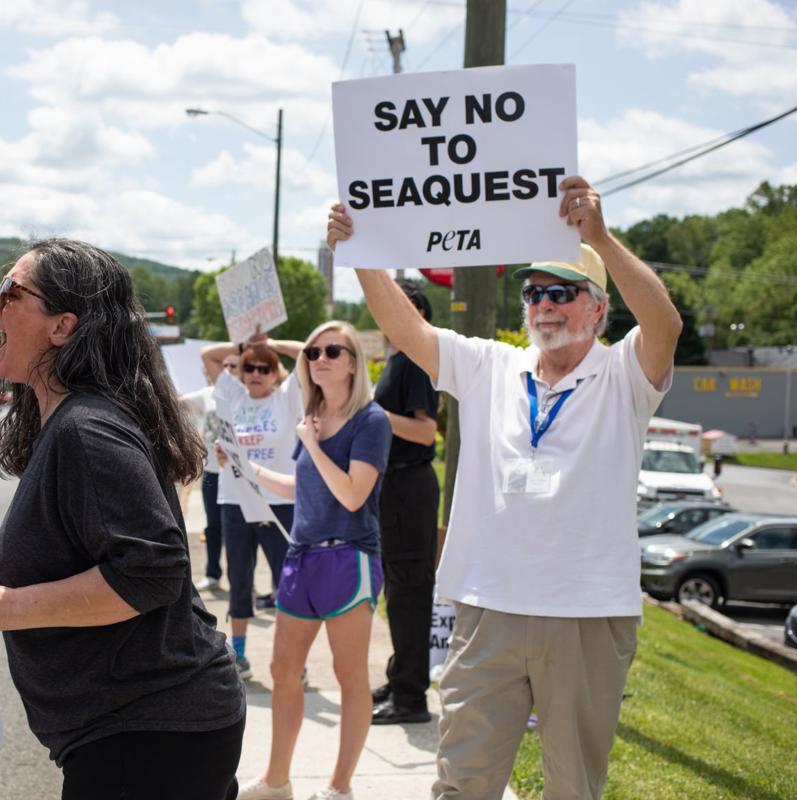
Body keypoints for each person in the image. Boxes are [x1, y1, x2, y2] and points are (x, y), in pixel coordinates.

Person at [328, 175, 682, 800]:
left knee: (573, 787)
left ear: (598, 307)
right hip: (487, 609)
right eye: (534, 292)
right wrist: (363, 256)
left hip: (587, 614)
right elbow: (408, 333)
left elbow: (666, 324)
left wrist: (598, 236)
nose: (545, 304)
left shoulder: (624, 374)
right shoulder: (492, 364)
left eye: (564, 293)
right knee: (463, 784)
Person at [0, 239, 245, 800]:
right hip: (145, 729)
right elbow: (102, 545)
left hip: (151, 733)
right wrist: (14, 571)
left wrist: (9, 606)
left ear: (62, 327)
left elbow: (150, 570)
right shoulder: (75, 421)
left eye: (11, 292)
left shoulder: (86, 428)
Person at [237, 321, 392, 800]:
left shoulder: (371, 420)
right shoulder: (313, 415)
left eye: (331, 350)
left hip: (349, 559)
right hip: (301, 558)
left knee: (351, 679)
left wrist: (311, 444)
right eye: (311, 351)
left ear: (351, 361)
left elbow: (350, 495)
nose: (319, 358)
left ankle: (339, 786)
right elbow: (302, 489)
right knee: (284, 672)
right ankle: (277, 780)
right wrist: (248, 467)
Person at [202, 332, 304, 679]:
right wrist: (243, 345)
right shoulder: (233, 396)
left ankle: (295, 659)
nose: (257, 373)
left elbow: (306, 353)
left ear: (276, 373)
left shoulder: (288, 399)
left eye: (265, 368)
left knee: (287, 583)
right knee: (239, 578)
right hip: (236, 501)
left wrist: (270, 343)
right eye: (250, 368)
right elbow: (209, 355)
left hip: (280, 502)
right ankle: (240, 655)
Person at [370, 280, 440, 726]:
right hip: (392, 489)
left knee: (410, 592)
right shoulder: (396, 359)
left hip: (409, 487)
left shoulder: (416, 358)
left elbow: (425, 431)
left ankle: (411, 696)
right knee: (397, 592)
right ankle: (400, 677)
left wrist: (369, 411)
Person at [181, 352, 241, 590]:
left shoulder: (246, 395)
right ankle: (213, 573)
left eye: (232, 366)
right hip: (213, 472)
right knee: (213, 525)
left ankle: (241, 577)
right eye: (222, 366)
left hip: (240, 472)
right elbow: (177, 401)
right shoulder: (206, 395)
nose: (226, 370)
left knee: (240, 527)